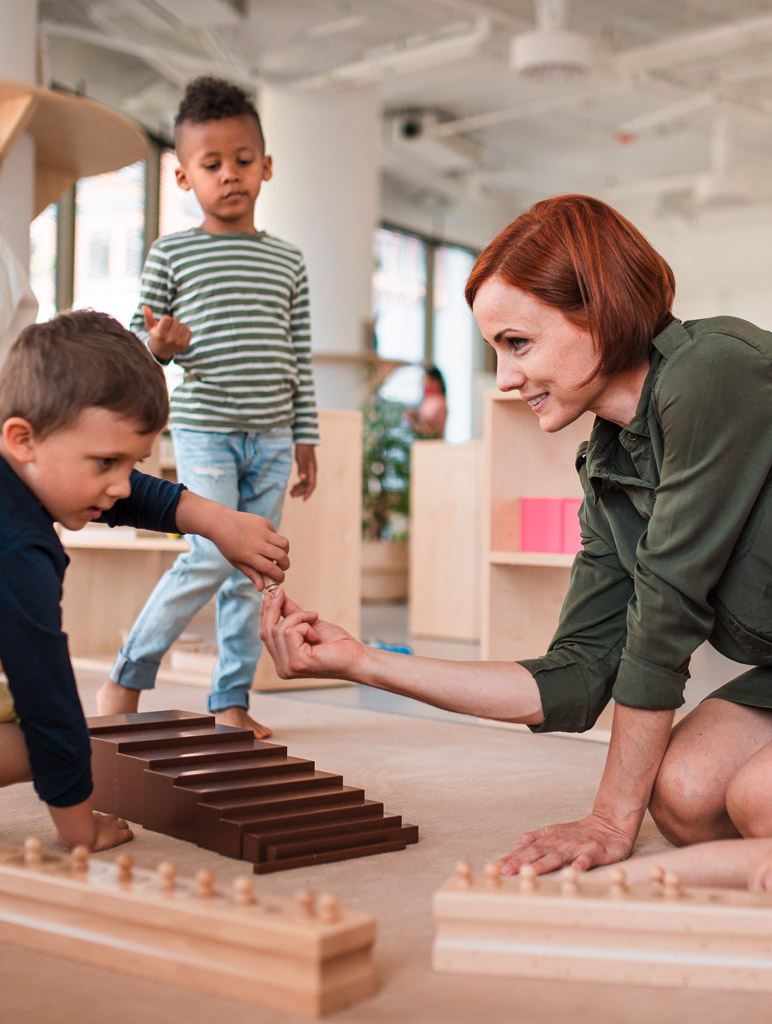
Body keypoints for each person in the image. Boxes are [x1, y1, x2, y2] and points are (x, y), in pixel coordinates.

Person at [260, 193, 772, 881]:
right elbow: (578, 675)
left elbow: (665, 621)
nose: (505, 378)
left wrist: (610, 821)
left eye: (518, 344)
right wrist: (362, 661)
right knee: (681, 796)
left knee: (756, 797)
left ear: (599, 309)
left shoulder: (714, 370)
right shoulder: (610, 466)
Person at [0, 309, 289, 852]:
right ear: (23, 439)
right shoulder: (15, 548)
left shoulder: (19, 467)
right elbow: (48, 695)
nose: (118, 486)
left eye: (129, 463)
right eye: (105, 462)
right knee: (51, 732)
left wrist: (218, 521)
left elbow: (138, 493)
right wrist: (79, 827)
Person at [97, 76, 320, 740]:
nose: (230, 175)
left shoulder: (288, 262)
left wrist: (306, 439)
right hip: (204, 429)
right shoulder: (171, 253)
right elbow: (140, 357)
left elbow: (298, 355)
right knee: (211, 554)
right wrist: (157, 347)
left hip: (275, 437)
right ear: (184, 176)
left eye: (243, 161)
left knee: (253, 569)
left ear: (267, 166)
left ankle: (229, 701)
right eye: (211, 164)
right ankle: (127, 674)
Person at [406, 365, 447, 439]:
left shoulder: (440, 402)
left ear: (438, 382)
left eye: (430, 382)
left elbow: (431, 427)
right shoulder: (427, 401)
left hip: (433, 442)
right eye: (425, 382)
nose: (427, 385)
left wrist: (418, 417)